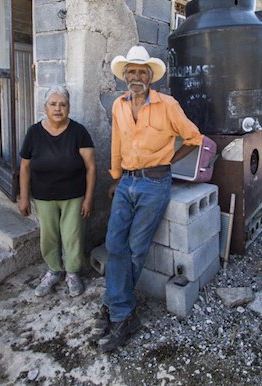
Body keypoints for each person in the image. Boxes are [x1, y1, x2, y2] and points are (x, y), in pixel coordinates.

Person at [95, 46, 204, 352]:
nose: (136, 77)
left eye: (142, 72)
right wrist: (116, 177)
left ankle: (119, 310)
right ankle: (120, 307)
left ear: (151, 77)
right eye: (132, 72)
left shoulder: (167, 104)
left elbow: (194, 138)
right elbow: (117, 141)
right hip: (127, 181)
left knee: (135, 248)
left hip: (155, 184)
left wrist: (168, 160)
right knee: (114, 244)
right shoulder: (118, 105)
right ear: (125, 76)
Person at [18, 86, 96, 297]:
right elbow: (25, 167)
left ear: (69, 108)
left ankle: (72, 273)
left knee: (72, 235)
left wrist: (88, 199)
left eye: (62, 104)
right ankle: (53, 270)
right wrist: (24, 197)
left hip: (73, 196)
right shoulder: (34, 132)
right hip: (43, 196)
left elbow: (91, 167)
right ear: (45, 107)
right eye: (53, 104)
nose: (58, 109)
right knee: (48, 236)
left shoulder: (79, 132)